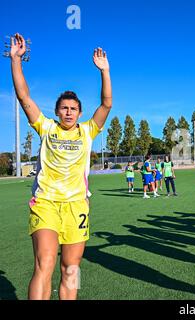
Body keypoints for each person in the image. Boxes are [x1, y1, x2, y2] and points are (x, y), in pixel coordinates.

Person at [9, 33, 112, 299]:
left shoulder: (88, 131)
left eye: (73, 108)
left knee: (71, 268)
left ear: (79, 112)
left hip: (77, 206)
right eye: (64, 108)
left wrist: (105, 71)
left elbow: (107, 104)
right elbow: (23, 97)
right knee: (45, 264)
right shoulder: (46, 127)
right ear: (57, 111)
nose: (68, 112)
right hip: (46, 203)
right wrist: (16, 60)